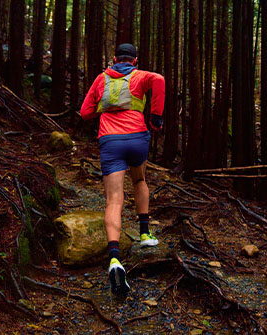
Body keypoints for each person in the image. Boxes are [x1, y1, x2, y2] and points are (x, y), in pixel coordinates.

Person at [80, 43, 165, 296]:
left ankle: (115, 258)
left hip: (110, 141)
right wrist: (156, 116)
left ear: (115, 59)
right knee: (139, 181)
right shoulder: (140, 76)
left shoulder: (101, 78)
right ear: (135, 60)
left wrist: (105, 109)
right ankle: (145, 234)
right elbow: (159, 80)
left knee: (114, 200)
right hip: (137, 137)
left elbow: (85, 113)